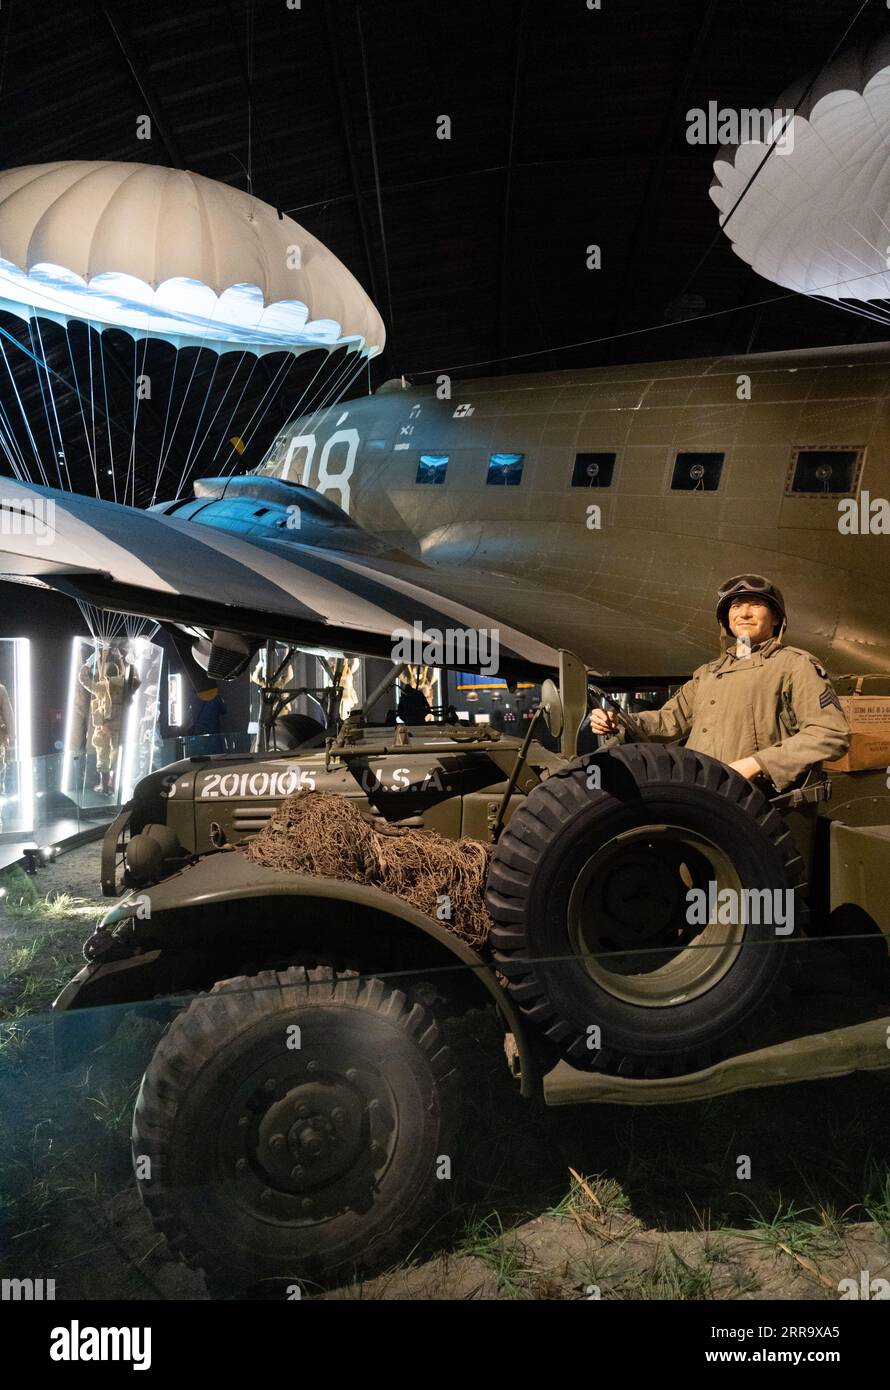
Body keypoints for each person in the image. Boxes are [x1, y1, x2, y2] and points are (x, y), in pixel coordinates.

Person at [588, 575, 852, 792]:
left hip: (758, 803)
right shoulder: (708, 673)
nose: (744, 613)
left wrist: (757, 763)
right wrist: (620, 721)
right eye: (736, 607)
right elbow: (670, 720)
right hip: (702, 794)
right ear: (726, 621)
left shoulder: (795, 665)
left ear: (776, 618)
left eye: (756, 605)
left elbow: (830, 733)